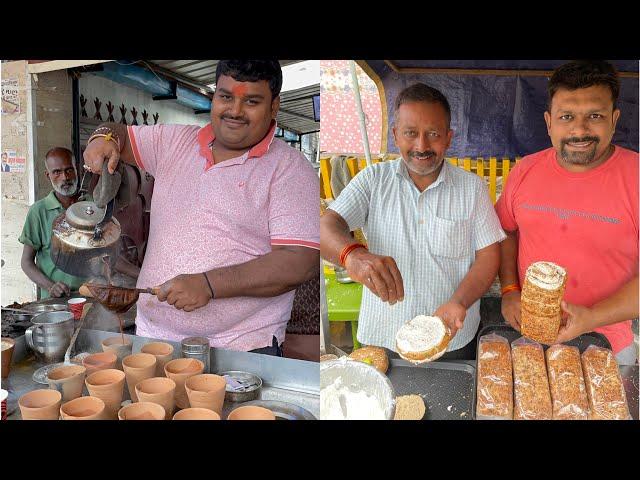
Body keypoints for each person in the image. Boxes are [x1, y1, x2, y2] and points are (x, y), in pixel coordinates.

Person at [82, 60, 319, 355]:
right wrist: (101, 138)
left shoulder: (289, 168)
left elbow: (299, 262)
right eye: (226, 96)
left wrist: (209, 284)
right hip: (153, 340)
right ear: (214, 96)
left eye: (252, 101)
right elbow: (115, 131)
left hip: (240, 349)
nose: (234, 110)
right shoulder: (176, 141)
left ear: (274, 107)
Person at [320, 83, 505, 357]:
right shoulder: (373, 180)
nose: (421, 145)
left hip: (452, 336)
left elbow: (489, 255)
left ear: (448, 137)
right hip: (385, 337)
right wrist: (352, 255)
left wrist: (459, 302)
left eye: (433, 134)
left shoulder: (472, 188)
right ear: (396, 135)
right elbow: (325, 226)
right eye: (410, 133)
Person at [496, 60, 639, 364]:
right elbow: (505, 230)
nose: (579, 129)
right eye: (567, 116)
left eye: (595, 116)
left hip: (608, 345)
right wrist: (509, 289)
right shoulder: (525, 171)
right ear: (549, 122)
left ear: (614, 120)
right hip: (532, 336)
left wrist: (591, 317)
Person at [18, 148, 139, 298]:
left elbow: (109, 254)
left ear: (78, 171)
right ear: (48, 176)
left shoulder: (93, 206)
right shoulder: (38, 212)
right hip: (56, 302)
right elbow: (26, 262)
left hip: (92, 295)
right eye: (57, 172)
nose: (65, 177)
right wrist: (51, 286)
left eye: (69, 170)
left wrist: (142, 275)